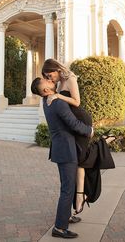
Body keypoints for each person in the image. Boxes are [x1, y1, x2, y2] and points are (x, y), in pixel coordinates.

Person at [31, 77, 93, 239]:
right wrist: (89, 130)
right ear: (45, 90)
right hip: (66, 150)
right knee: (67, 189)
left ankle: (66, 217)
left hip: (61, 148)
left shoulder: (47, 101)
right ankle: (59, 227)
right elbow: (73, 123)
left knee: (69, 185)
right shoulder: (56, 103)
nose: (49, 80)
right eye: (46, 81)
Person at [41, 58, 92, 215]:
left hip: (80, 120)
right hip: (71, 124)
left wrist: (58, 96)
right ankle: (77, 199)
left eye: (50, 75)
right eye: (47, 77)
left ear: (56, 69)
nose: (50, 79)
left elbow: (77, 102)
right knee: (76, 162)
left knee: (81, 161)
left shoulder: (70, 78)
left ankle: (79, 196)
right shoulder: (57, 82)